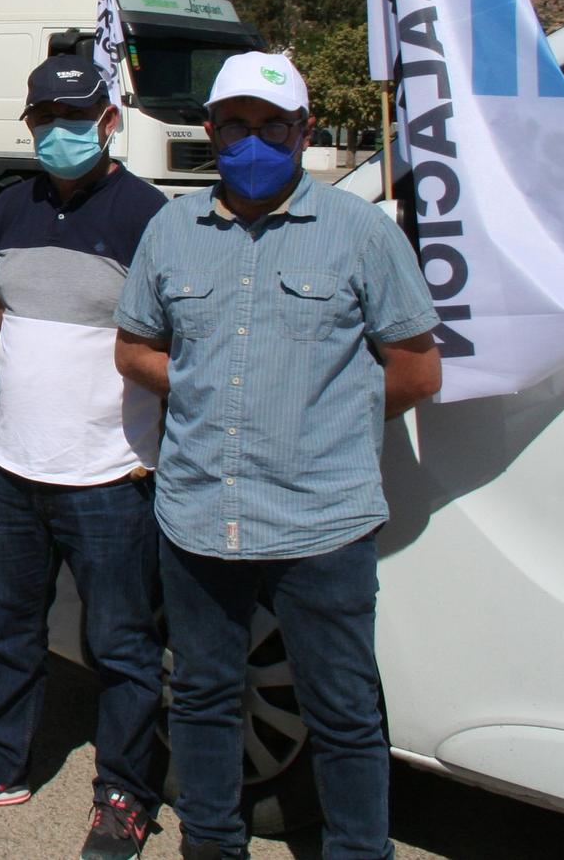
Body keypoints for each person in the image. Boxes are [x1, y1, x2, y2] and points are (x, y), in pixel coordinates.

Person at [114, 52, 442, 860]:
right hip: (198, 516)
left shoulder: (362, 232)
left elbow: (415, 366)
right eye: (234, 125)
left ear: (302, 132)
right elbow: (133, 348)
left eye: (270, 126)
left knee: (343, 710)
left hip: (321, 521)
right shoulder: (171, 228)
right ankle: (212, 844)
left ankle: (360, 850)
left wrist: (317, 418)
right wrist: (193, 383)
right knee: (202, 696)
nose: (251, 141)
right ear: (212, 130)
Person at [0, 55, 168, 859]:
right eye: (45, 119)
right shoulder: (12, 204)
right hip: (12, 467)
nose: (59, 133)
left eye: (76, 117)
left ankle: (125, 791)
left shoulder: (150, 215)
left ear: (108, 122)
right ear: (28, 125)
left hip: (109, 473)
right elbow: (1, 306)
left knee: (124, 646)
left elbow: (170, 340)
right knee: (13, 627)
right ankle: (2, 760)